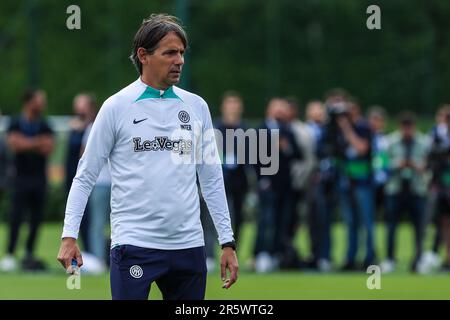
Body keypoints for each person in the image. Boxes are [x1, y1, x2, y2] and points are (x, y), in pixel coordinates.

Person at [57, 14, 238, 300]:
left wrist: (227, 242)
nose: (179, 60)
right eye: (169, 53)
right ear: (144, 55)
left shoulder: (196, 106)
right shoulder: (116, 107)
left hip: (188, 248)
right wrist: (69, 236)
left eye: (181, 53)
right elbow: (85, 176)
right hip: (135, 246)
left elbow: (212, 179)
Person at [0, 89, 54, 272]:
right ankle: (9, 254)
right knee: (16, 217)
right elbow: (14, 145)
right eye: (40, 100)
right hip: (20, 179)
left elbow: (49, 148)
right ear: (29, 102)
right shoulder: (15, 122)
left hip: (39, 180)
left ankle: (29, 253)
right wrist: (37, 143)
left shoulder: (45, 124)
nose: (43, 104)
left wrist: (26, 143)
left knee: (36, 219)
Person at [381, 112, 430, 273]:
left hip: (417, 189)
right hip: (395, 189)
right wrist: (398, 164)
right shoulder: (390, 141)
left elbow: (429, 164)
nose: (407, 131)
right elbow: (381, 163)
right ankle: (389, 258)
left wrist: (417, 166)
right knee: (391, 226)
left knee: (419, 228)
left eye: (410, 128)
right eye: (405, 128)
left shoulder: (424, 142)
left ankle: (418, 260)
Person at [65, 93, 97, 253]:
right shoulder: (74, 127)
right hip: (72, 176)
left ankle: (93, 252)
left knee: (91, 218)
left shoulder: (94, 128)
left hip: (89, 178)